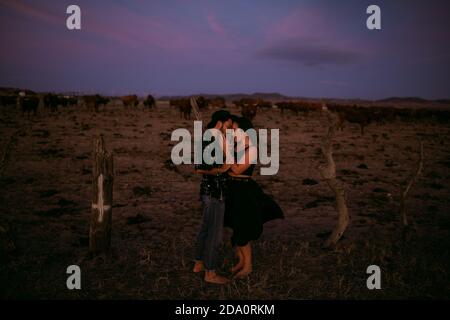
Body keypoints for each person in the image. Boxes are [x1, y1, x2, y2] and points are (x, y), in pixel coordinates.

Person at [224, 116, 284, 279]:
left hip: (244, 191)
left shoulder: (252, 149)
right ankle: (241, 261)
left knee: (243, 229)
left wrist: (225, 153)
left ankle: (248, 266)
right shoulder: (235, 147)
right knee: (236, 226)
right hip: (232, 190)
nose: (232, 133)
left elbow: (236, 170)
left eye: (235, 130)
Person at [192, 110, 233, 284]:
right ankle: (210, 273)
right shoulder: (212, 138)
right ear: (220, 123)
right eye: (228, 125)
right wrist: (221, 170)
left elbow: (200, 166)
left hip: (209, 191)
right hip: (215, 193)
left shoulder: (211, 137)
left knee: (205, 228)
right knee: (215, 234)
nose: (229, 129)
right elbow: (200, 167)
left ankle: (198, 263)